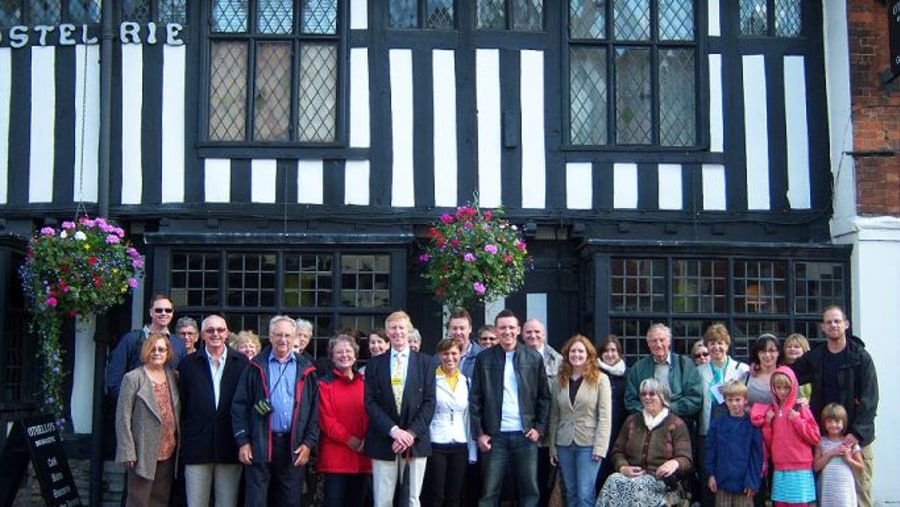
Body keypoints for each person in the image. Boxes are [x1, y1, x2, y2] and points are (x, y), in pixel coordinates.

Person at [791, 306, 878, 507]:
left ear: (846, 324)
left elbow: (870, 399)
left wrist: (856, 433)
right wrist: (762, 366)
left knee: (861, 491)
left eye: (837, 321)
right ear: (823, 327)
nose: (833, 325)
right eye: (829, 322)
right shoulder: (816, 356)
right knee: (827, 491)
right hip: (825, 438)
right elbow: (790, 374)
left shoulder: (861, 357)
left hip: (857, 438)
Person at [231, 315, 320, 507]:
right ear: (270, 337)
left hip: (293, 445)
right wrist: (243, 441)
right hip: (260, 443)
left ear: (295, 337)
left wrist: (308, 443)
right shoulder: (255, 366)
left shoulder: (307, 368)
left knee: (289, 501)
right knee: (256, 501)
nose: (283, 340)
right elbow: (240, 406)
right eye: (278, 335)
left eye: (288, 335)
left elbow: (314, 410)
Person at [469, 309, 550, 507]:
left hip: (525, 435)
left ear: (519, 330)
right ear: (496, 330)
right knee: (489, 492)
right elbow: (475, 400)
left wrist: (539, 429)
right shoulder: (484, 359)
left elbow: (544, 397)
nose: (507, 331)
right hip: (495, 437)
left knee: (529, 491)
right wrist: (480, 433)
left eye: (511, 327)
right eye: (503, 327)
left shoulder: (533, 358)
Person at [363, 311, 436, 507]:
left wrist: (410, 434)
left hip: (415, 441)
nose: (397, 332)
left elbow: (430, 402)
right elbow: (370, 403)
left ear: (409, 330)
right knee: (382, 500)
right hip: (383, 439)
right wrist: (394, 432)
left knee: (412, 500)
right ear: (387, 332)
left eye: (401, 328)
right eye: (393, 328)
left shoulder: (426, 363)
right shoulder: (374, 364)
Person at [177, 314, 248, 507]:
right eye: (210, 330)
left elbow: (247, 405)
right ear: (201, 335)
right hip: (197, 446)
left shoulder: (242, 364)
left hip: (230, 446)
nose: (215, 334)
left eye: (220, 330)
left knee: (227, 503)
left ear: (227, 333)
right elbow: (182, 405)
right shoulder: (188, 365)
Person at [597, 378, 693, 507]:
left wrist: (674, 463)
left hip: (661, 482)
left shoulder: (676, 423)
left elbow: (686, 459)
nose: (647, 397)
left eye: (652, 394)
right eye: (643, 394)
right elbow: (617, 451)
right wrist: (623, 467)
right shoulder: (632, 421)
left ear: (662, 397)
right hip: (632, 477)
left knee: (638, 488)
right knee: (613, 480)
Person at [115, 333, 180, 507]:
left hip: (168, 449)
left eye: (162, 349)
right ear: (146, 351)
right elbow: (122, 416)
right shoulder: (133, 378)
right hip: (142, 450)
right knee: (139, 500)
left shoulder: (172, 376)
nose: (157, 353)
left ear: (168, 353)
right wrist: (127, 450)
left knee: (160, 500)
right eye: (153, 349)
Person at [548, 334, 611, 507]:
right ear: (567, 354)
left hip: (588, 444)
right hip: (564, 442)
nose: (576, 355)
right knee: (570, 491)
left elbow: (605, 417)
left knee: (585, 493)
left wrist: (600, 447)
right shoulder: (559, 381)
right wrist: (552, 447)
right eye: (573, 351)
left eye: (580, 351)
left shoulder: (600, 379)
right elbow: (554, 415)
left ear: (589, 355)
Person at [697, 324, 750, 506]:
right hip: (708, 428)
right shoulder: (699, 371)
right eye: (711, 343)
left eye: (720, 343)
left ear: (727, 345)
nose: (716, 347)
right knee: (708, 475)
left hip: (735, 430)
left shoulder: (742, 370)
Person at [750, 367, 819, 507]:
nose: (782, 391)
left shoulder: (800, 408)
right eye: (778, 387)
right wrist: (768, 424)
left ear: (793, 387)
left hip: (800, 467)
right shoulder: (772, 411)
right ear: (773, 388)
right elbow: (769, 443)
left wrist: (798, 421)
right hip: (780, 467)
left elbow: (815, 437)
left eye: (786, 387)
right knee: (780, 504)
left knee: (798, 504)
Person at [317, 333, 371, 507]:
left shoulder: (365, 383)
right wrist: (350, 440)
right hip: (336, 458)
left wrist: (366, 440)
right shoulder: (323, 385)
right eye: (339, 352)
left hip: (363, 456)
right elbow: (326, 419)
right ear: (332, 356)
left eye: (348, 351)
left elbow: (373, 414)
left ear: (355, 355)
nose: (344, 355)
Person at [424, 338, 474, 507]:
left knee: (455, 495)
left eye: (454, 353)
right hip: (436, 441)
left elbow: (468, 417)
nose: (450, 358)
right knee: (436, 494)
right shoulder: (430, 380)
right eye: (446, 354)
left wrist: (471, 447)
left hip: (460, 442)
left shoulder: (466, 381)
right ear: (439, 355)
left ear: (460, 355)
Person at [107, 294, 187, 400]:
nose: (164, 313)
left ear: (172, 313)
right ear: (151, 312)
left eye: (168, 310)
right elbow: (114, 379)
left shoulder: (178, 344)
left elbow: (183, 382)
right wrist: (130, 405)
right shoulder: (131, 339)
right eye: (159, 310)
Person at [522, 318, 563, 507]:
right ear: (522, 334)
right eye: (529, 332)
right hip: (523, 431)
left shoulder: (558, 360)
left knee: (546, 480)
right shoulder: (515, 357)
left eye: (537, 332)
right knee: (524, 484)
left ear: (544, 334)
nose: (533, 336)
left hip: (548, 432)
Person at [624, 323, 702, 420]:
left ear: (669, 341)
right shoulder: (638, 368)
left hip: (679, 423)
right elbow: (630, 401)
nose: (658, 344)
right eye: (654, 341)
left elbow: (695, 399)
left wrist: (667, 410)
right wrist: (650, 411)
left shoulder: (685, 365)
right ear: (648, 344)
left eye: (662, 340)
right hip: (647, 424)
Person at [704, 380, 763, 507]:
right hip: (722, 481)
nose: (734, 404)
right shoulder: (717, 423)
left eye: (738, 400)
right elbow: (710, 450)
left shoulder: (752, 425)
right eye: (730, 400)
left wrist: (752, 482)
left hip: (744, 484)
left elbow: (756, 456)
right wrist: (711, 475)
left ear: (745, 400)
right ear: (725, 400)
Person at [814, 403, 864, 507]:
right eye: (829, 421)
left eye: (837, 421)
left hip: (845, 489)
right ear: (824, 423)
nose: (833, 425)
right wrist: (831, 453)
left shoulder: (850, 442)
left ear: (843, 422)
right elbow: (816, 467)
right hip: (828, 488)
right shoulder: (821, 442)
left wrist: (848, 459)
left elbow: (861, 468)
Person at [596, 335, 627, 489]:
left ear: (619, 353)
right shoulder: (594, 375)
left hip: (619, 430)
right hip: (598, 432)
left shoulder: (626, 375)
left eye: (613, 350)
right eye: (606, 351)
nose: (610, 354)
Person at [447, 309, 483, 378]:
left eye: (462, 328)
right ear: (449, 330)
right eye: (454, 328)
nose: (458, 332)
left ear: (470, 329)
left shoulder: (481, 356)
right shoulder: (439, 358)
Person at [746, 334, 780, 407]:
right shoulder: (746, 376)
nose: (767, 355)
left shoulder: (787, 376)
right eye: (763, 351)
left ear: (778, 353)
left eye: (771, 351)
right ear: (757, 354)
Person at [781, 334, 811, 404]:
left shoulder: (812, 369)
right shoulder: (780, 368)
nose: (792, 349)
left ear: (804, 349)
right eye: (789, 346)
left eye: (796, 347)